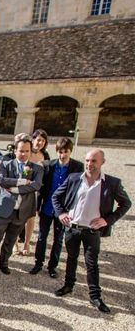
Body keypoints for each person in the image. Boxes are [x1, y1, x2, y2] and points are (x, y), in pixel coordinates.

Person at [52, 149, 131, 313]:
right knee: (71, 258)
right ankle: (68, 285)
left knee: (91, 263)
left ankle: (95, 296)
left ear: (102, 162)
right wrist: (61, 213)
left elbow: (126, 204)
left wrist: (107, 220)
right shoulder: (74, 178)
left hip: (92, 231)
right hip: (73, 228)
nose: (90, 164)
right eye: (87, 160)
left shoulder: (112, 183)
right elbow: (56, 197)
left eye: (94, 161)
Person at [0, 136, 44, 275]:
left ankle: (4, 263)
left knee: (11, 240)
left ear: (30, 152)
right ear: (15, 150)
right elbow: (1, 180)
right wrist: (22, 182)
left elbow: (36, 185)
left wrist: (16, 189)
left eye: (26, 151)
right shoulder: (6, 164)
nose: (23, 154)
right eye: (21, 151)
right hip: (3, 209)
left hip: (21, 211)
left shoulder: (36, 168)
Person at [29, 137, 84, 278]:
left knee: (58, 239)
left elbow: (79, 190)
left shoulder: (77, 167)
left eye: (65, 152)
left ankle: (52, 266)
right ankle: (38, 263)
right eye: (60, 151)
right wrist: (37, 205)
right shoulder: (49, 165)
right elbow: (41, 186)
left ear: (70, 152)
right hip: (47, 207)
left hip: (64, 210)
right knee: (42, 237)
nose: (62, 155)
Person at [16, 129, 50, 256]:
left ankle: (27, 243)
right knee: (17, 215)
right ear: (33, 139)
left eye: (43, 140)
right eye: (38, 139)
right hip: (23, 187)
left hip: (37, 190)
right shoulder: (26, 152)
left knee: (31, 217)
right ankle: (16, 242)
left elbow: (46, 175)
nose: (40, 142)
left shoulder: (45, 156)